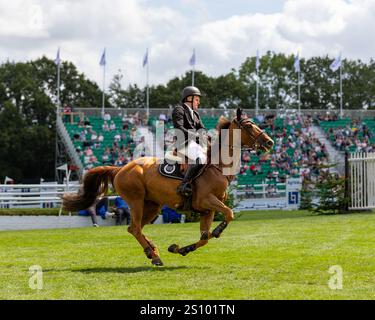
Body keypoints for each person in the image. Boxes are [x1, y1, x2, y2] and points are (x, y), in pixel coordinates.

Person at [172, 86, 207, 197]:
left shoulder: (195, 114)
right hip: (183, 143)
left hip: (194, 144)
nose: (198, 103)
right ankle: (184, 184)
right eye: (197, 100)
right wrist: (196, 135)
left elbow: (202, 129)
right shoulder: (179, 109)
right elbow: (179, 127)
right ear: (189, 98)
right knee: (201, 158)